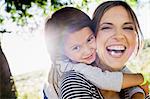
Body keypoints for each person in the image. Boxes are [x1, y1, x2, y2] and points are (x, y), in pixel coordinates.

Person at [43, 6, 148, 99]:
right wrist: (140, 78)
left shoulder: (95, 57)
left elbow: (124, 74)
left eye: (89, 40)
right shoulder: (70, 69)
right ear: (63, 52)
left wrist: (138, 92)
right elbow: (105, 80)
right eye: (76, 48)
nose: (88, 50)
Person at [91, 0, 149, 98]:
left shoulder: (141, 90)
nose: (118, 36)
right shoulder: (76, 81)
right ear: (92, 36)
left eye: (128, 28)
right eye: (106, 28)